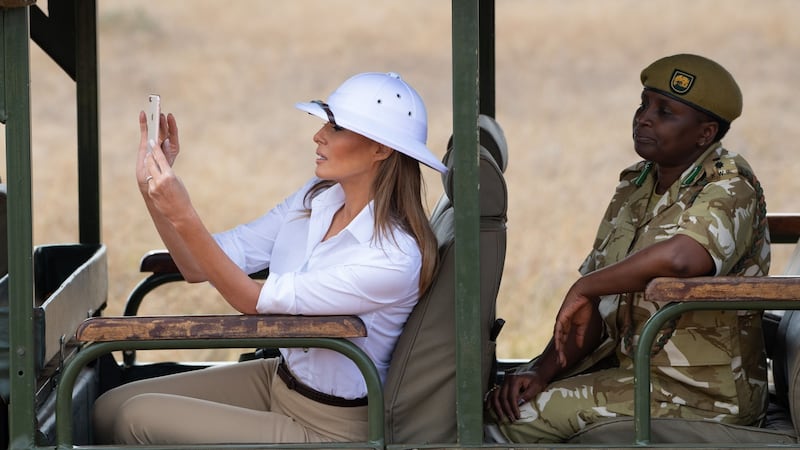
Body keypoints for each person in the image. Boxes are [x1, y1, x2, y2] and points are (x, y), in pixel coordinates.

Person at [92, 72, 447, 445]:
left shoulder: (393, 258)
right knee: (108, 408)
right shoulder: (316, 197)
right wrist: (152, 192)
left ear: (381, 150)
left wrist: (184, 213)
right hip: (279, 380)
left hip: (330, 427)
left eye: (337, 127)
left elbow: (251, 300)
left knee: (135, 418)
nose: (318, 135)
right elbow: (197, 265)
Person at [486, 54, 770, 443]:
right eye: (643, 104)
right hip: (635, 372)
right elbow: (597, 305)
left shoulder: (730, 184)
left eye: (665, 112)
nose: (644, 119)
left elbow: (683, 258)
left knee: (511, 423)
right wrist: (541, 370)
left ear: (705, 134)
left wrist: (586, 288)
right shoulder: (636, 183)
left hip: (704, 394)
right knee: (503, 402)